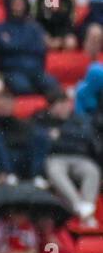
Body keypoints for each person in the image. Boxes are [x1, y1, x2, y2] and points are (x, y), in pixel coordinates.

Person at [35, 88, 101, 225]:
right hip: (56, 158)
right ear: (51, 107)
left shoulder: (79, 119)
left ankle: (86, 206)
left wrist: (61, 134)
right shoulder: (42, 119)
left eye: (66, 104)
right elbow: (42, 140)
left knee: (92, 171)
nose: (64, 108)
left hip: (80, 158)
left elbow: (85, 137)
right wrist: (67, 137)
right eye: (59, 105)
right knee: (55, 170)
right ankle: (81, 208)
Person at [0, 0, 56, 97]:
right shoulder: (0, 28)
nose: (18, 5)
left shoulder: (35, 27)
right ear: (9, 4)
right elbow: (3, 51)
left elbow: (40, 49)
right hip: (12, 71)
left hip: (35, 70)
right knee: (23, 87)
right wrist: (24, 45)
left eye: (20, 2)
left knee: (52, 85)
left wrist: (14, 45)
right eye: (15, 2)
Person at [0, 89, 49, 184]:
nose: (4, 107)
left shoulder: (21, 122)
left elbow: (26, 139)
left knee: (40, 135)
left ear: (13, 105)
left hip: (22, 157)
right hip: (3, 160)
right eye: (2, 104)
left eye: (7, 104)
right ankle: (9, 175)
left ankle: (36, 175)